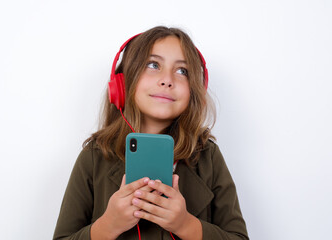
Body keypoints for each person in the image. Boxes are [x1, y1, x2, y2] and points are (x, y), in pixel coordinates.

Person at [53, 26, 249, 240]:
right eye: (153, 65)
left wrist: (186, 225)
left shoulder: (207, 156)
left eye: (182, 71)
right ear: (122, 83)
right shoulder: (95, 156)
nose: (167, 80)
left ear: (195, 91)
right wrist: (107, 226)